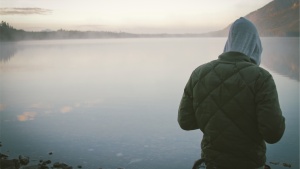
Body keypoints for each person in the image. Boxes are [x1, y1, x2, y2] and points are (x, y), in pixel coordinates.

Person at [177, 17, 285, 169]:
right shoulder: (261, 78)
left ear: (229, 42)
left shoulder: (199, 73)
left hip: (211, 163)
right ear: (255, 44)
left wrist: (212, 118)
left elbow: (186, 122)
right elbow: (273, 134)